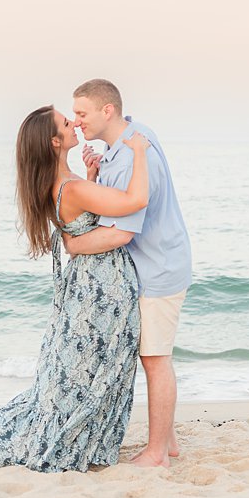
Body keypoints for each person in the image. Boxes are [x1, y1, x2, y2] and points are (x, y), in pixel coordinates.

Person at [0, 106, 152, 473]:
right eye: (67, 124)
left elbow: (81, 223)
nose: (74, 123)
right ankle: (79, 437)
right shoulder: (72, 188)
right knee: (98, 365)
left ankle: (84, 434)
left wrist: (92, 174)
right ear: (55, 142)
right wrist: (142, 153)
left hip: (84, 279)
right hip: (101, 282)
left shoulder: (67, 183)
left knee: (84, 365)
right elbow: (136, 201)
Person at [65, 79, 192, 468]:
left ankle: (157, 454)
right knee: (149, 356)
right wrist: (94, 176)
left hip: (158, 269)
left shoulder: (135, 156)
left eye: (82, 113)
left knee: (155, 359)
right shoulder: (133, 140)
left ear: (107, 111)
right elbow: (115, 202)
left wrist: (70, 246)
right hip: (156, 264)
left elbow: (120, 232)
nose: (76, 121)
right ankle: (166, 443)